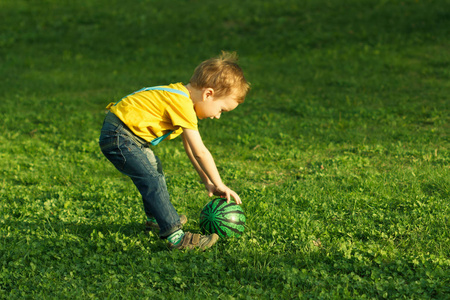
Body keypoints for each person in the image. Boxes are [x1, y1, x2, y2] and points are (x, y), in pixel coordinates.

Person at [98, 51, 250, 250]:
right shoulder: (181, 103)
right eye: (221, 110)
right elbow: (200, 152)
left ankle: (156, 218)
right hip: (119, 136)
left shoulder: (181, 99)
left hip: (124, 135)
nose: (218, 116)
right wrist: (220, 183)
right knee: (152, 179)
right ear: (208, 94)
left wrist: (208, 181)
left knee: (154, 170)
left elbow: (190, 149)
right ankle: (177, 237)